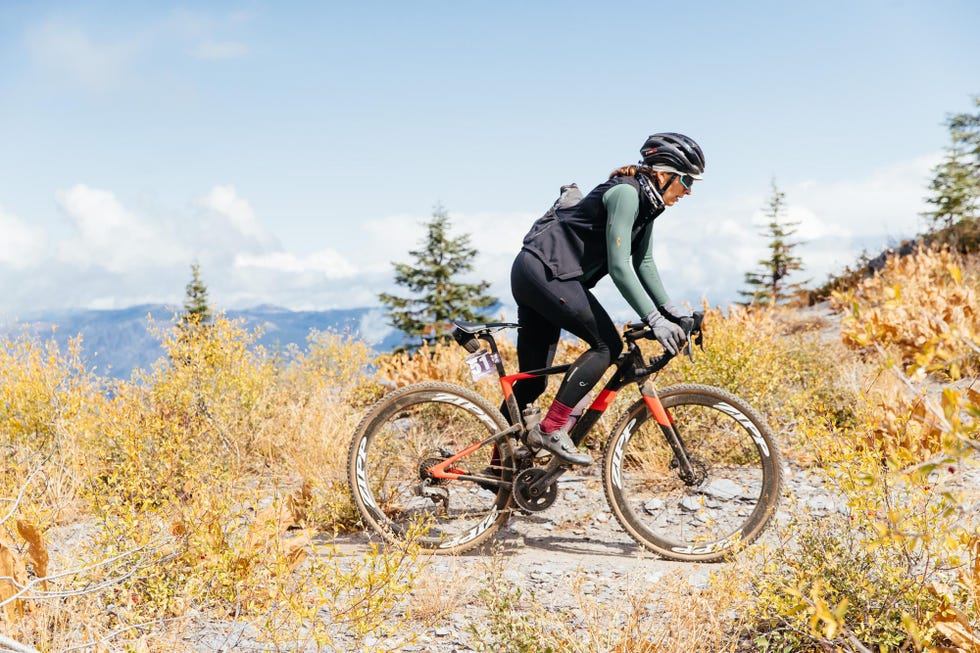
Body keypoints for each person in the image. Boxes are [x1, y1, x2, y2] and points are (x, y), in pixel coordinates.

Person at [510, 132, 705, 466]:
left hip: (546, 274)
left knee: (532, 384)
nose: (688, 190)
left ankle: (502, 467)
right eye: (686, 180)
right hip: (544, 272)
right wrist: (655, 320)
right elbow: (619, 266)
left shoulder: (650, 204)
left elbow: (643, 262)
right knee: (608, 346)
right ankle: (553, 428)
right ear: (662, 173)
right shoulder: (626, 195)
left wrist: (671, 312)